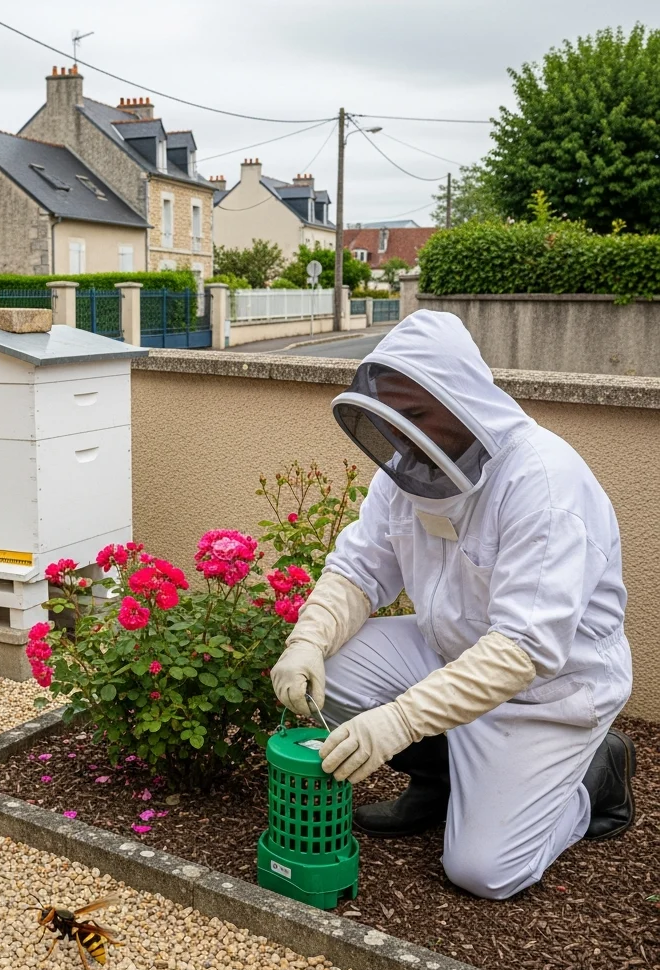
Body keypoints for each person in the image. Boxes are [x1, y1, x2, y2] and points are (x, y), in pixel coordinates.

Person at [270, 310, 636, 900]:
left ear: (462, 401)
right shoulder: (405, 474)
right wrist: (307, 640)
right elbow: (359, 569)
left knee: (484, 872)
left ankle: (593, 783)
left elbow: (522, 649)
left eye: (416, 415)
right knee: (327, 674)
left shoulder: (544, 483)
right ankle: (443, 781)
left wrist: (400, 721)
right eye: (391, 415)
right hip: (446, 652)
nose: (400, 433)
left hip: (546, 692)